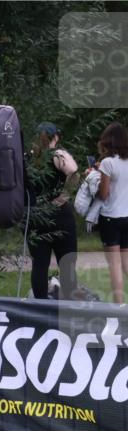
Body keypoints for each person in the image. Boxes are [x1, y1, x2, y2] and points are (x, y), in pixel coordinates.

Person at [26, 122, 79, 300]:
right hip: (59, 215)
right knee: (67, 265)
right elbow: (73, 171)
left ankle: (40, 308)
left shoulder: (30, 158)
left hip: (36, 216)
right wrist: (64, 196)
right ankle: (70, 307)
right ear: (55, 137)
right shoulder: (57, 154)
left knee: (39, 265)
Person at [95, 121, 128, 303]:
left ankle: (119, 307)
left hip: (111, 219)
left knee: (114, 266)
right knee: (126, 264)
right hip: (127, 216)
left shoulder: (107, 163)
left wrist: (94, 178)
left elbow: (104, 194)